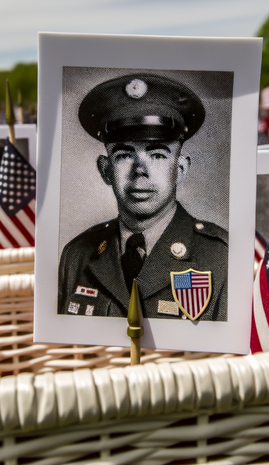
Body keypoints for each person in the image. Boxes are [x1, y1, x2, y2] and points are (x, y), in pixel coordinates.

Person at [58, 73, 229, 321]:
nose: (140, 170)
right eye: (124, 155)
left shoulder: (220, 257)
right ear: (106, 170)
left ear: (180, 169)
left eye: (158, 155)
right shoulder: (77, 255)